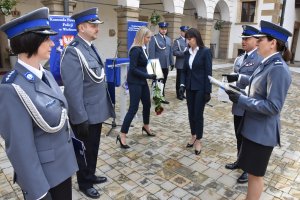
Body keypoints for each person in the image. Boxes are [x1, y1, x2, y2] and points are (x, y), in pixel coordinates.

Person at [0, 7, 78, 200]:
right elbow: (20, 148)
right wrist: (39, 192)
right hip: (44, 178)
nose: (52, 43)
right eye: (46, 39)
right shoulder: (12, 88)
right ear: (31, 41)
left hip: (62, 167)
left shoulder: (47, 74)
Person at [225, 20, 292, 199]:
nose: (257, 42)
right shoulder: (268, 62)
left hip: (262, 133)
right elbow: (256, 82)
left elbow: (273, 106)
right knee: (252, 172)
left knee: (255, 176)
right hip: (254, 128)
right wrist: (239, 77)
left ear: (273, 43)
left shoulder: (279, 69)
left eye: (261, 39)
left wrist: (242, 100)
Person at [60, 8, 115, 199]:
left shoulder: (89, 47)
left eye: (96, 25)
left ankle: (90, 175)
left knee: (93, 148)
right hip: (84, 114)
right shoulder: (73, 51)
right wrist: (80, 117)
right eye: (93, 26)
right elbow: (73, 90)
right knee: (84, 151)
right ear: (81, 27)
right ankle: (84, 183)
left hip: (96, 111)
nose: (97, 29)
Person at [222, 25, 262, 184]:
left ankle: (247, 168)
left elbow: (257, 83)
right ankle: (240, 160)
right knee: (239, 135)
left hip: (249, 104)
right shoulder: (241, 57)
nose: (244, 41)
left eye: (247, 39)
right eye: (243, 38)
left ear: (256, 41)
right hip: (238, 102)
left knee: (248, 137)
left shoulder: (259, 58)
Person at [117, 26, 157, 149]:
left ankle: (146, 126)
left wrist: (154, 72)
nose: (149, 39)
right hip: (135, 81)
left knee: (147, 104)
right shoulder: (135, 50)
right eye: (148, 37)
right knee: (133, 108)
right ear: (142, 37)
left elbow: (144, 65)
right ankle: (122, 134)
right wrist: (148, 75)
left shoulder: (143, 48)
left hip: (142, 80)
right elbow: (133, 70)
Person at [179, 28, 212, 155]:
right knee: (190, 113)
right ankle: (193, 135)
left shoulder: (205, 52)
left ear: (197, 38)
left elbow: (208, 72)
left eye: (190, 39)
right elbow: (184, 71)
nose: (188, 41)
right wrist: (182, 85)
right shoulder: (187, 52)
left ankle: (198, 139)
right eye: (187, 39)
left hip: (200, 88)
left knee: (198, 114)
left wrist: (207, 91)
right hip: (189, 87)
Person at [148, 22, 174, 104]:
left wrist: (172, 62)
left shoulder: (168, 39)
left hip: (166, 64)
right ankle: (157, 98)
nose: (164, 30)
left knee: (163, 81)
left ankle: (161, 97)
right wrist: (152, 65)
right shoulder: (154, 38)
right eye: (162, 29)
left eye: (165, 29)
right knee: (157, 81)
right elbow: (151, 52)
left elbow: (170, 52)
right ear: (159, 29)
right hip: (157, 64)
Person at [173, 25, 189, 100]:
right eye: (184, 32)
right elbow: (174, 52)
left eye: (186, 32)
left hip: (187, 64)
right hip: (180, 63)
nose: (185, 33)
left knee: (185, 79)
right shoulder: (177, 41)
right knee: (179, 80)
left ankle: (183, 92)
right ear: (181, 32)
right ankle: (178, 94)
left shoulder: (189, 40)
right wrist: (183, 53)